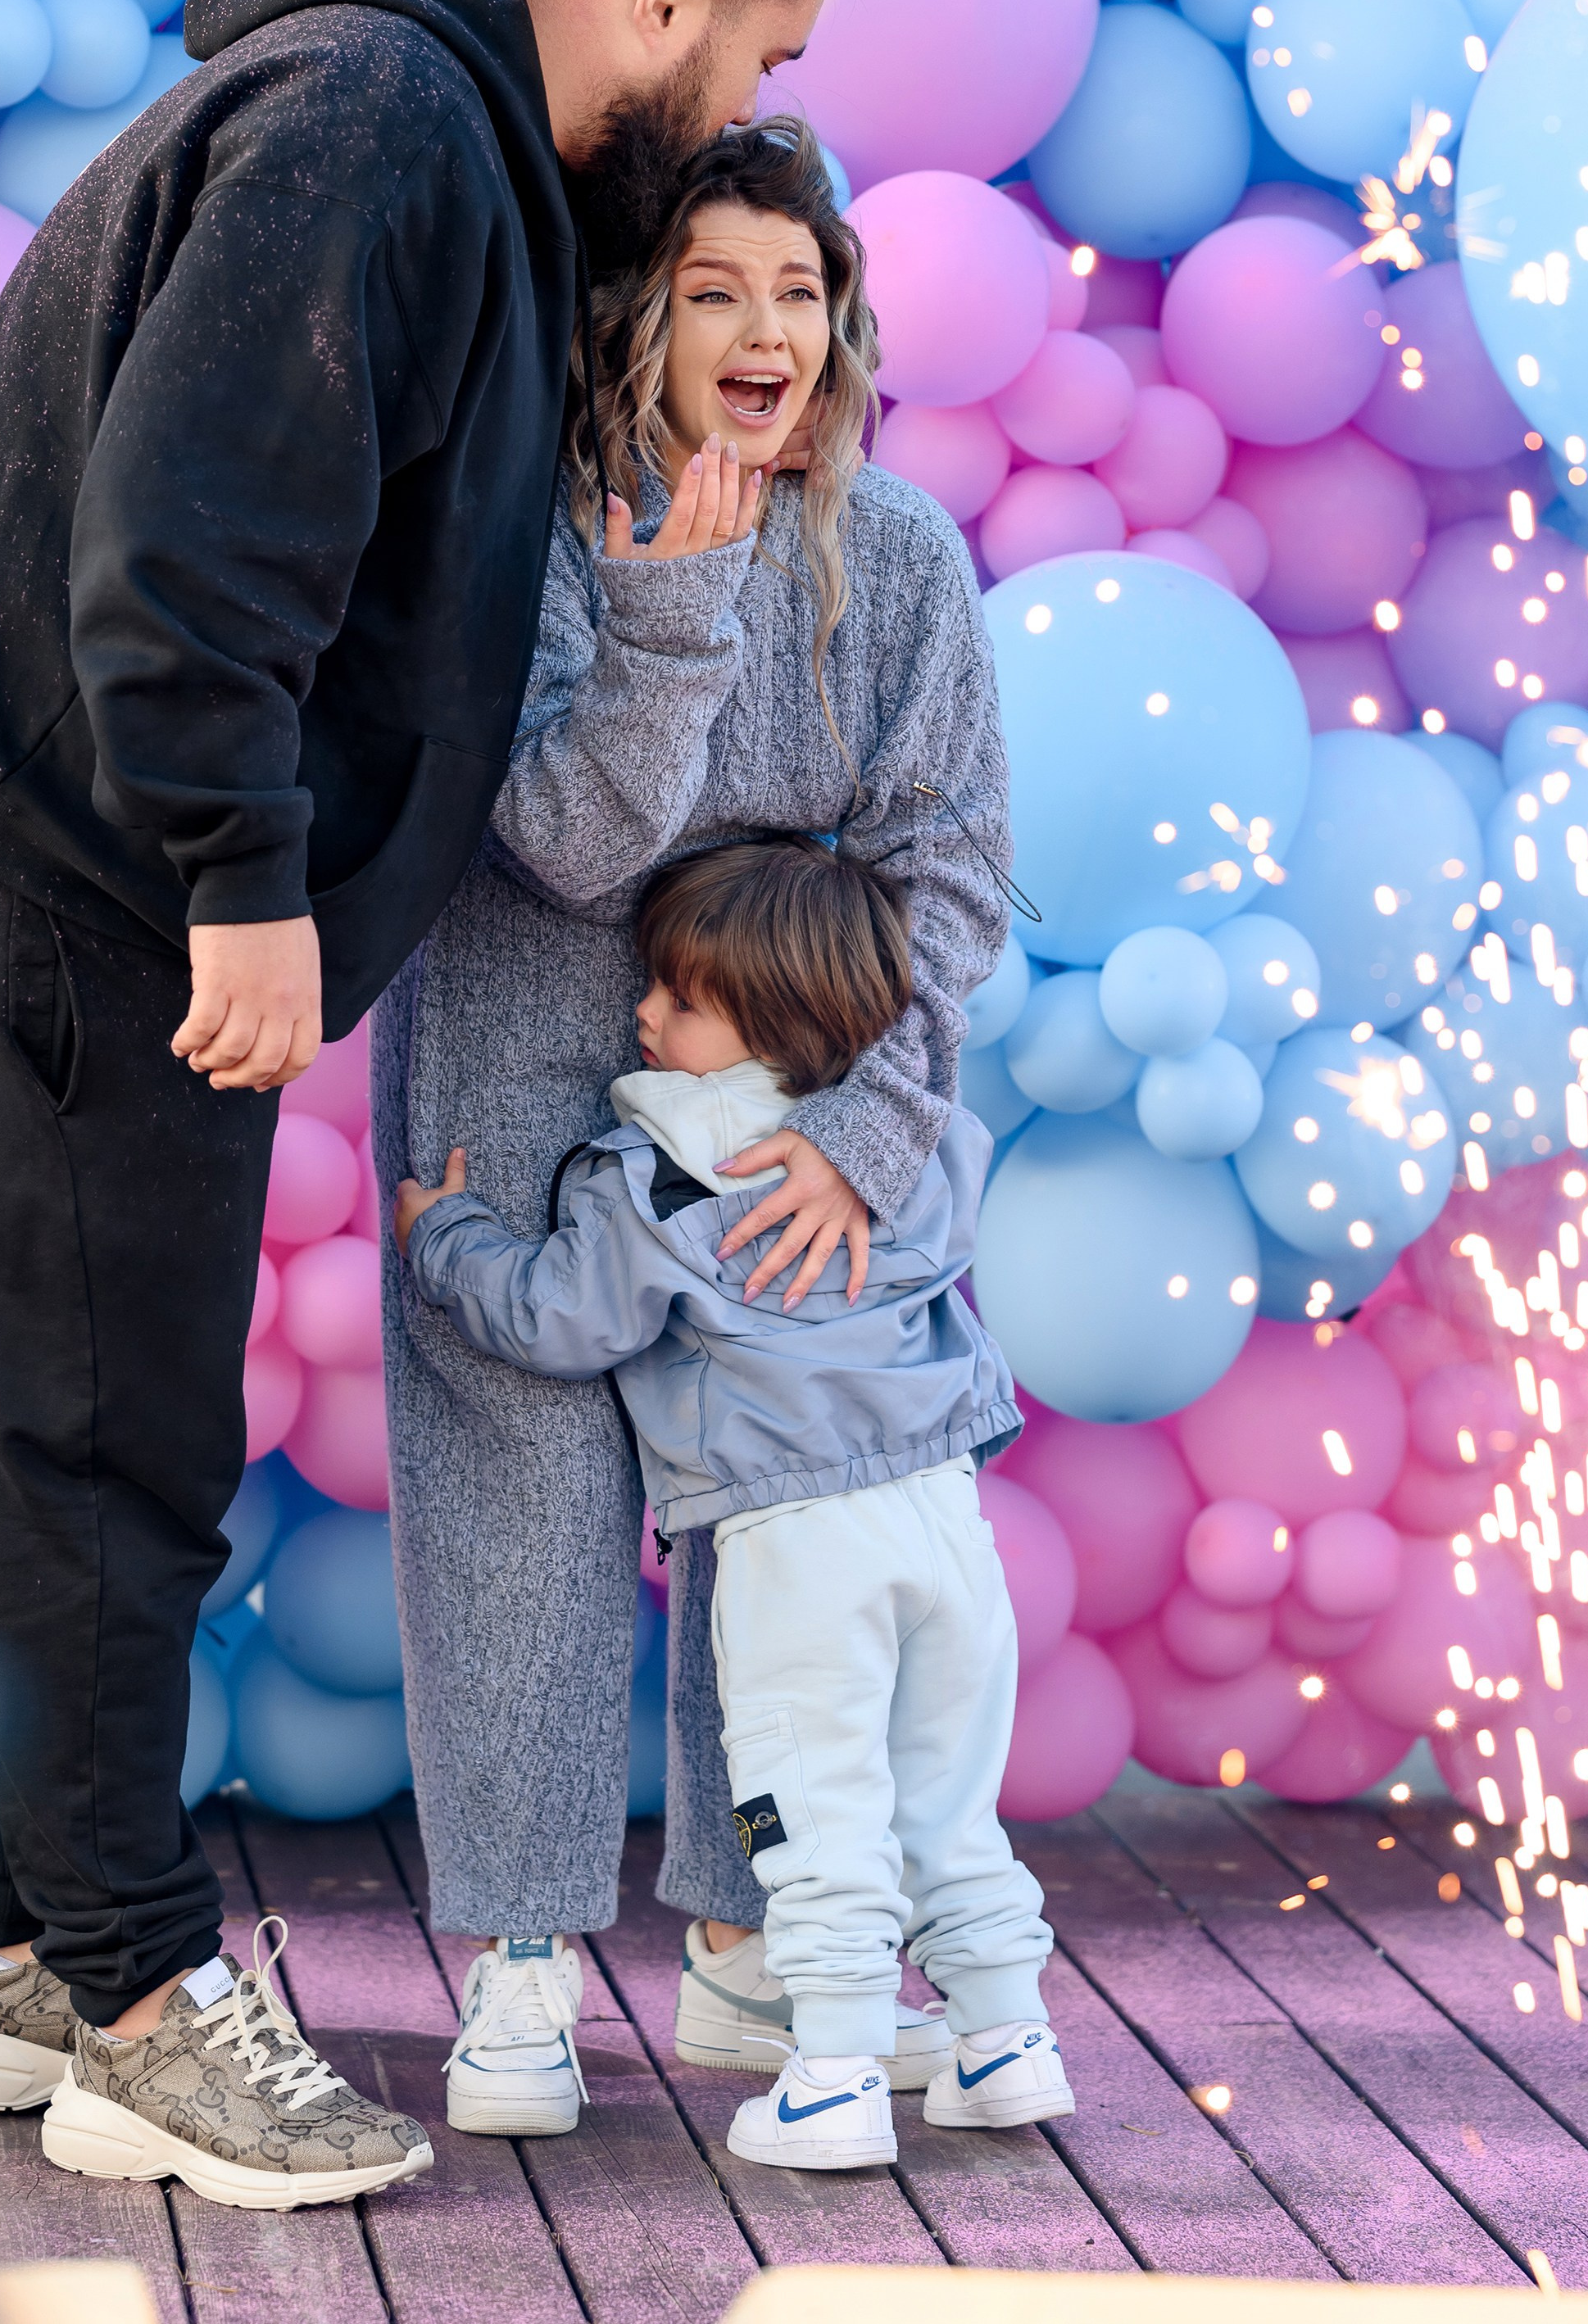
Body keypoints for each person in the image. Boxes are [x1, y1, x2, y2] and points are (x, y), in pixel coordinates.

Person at [0, 0, 870, 2213]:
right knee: (110, 1446)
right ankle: (148, 2006)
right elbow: (195, 526)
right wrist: (241, 878)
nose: (751, 122)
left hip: (15, 825)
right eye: (762, 68)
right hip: (73, 857)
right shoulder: (382, 113)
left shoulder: (415, 110)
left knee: (24, 1410)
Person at [376, 114, 1015, 2139]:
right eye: (715, 291)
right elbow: (566, 842)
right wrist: (680, 601)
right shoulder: (531, 534)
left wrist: (877, 1123)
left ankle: (758, 1949)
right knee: (529, 1490)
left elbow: (950, 870)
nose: (764, 331)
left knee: (787, 1498)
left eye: (799, 294)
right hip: (519, 1022)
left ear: (846, 326)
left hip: (782, 1083)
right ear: (638, 323)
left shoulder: (900, 556)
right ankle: (520, 1959)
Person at [394, 833, 1064, 2171]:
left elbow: (556, 1317)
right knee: (943, 1801)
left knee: (807, 1809)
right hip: (945, 1522)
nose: (641, 1013)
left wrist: (443, 1237)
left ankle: (829, 2075)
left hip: (792, 1542)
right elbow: (965, 1162)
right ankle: (1004, 2040)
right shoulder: (911, 1159)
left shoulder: (659, 1178)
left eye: (679, 1000)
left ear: (776, 1027)